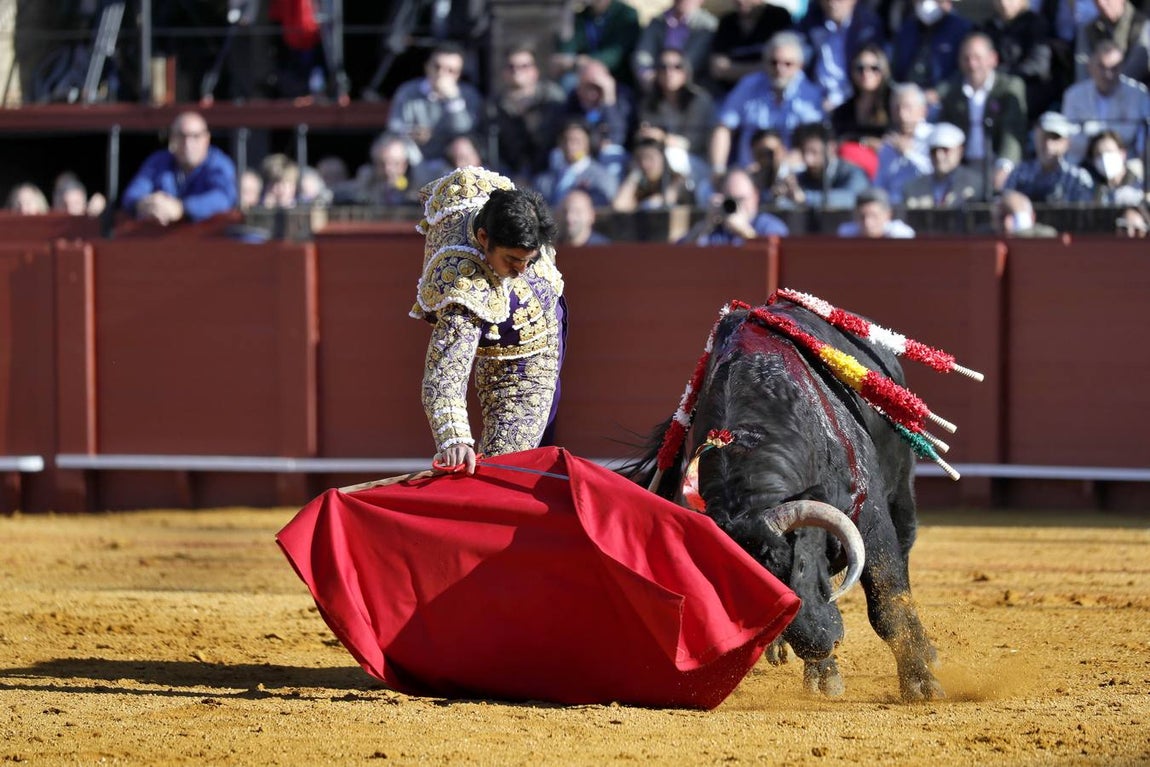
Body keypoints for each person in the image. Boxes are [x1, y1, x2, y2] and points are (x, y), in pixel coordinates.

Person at [411, 167, 565, 474]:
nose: (521, 269)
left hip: (534, 341)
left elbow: (462, 178)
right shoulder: (464, 283)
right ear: (483, 238)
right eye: (511, 260)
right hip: (516, 355)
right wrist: (453, 438)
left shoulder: (478, 191)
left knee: (512, 467)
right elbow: (445, 372)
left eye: (529, 259)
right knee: (505, 474)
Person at [709, 31, 824, 174]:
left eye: (788, 64)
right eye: (773, 62)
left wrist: (782, 165)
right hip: (748, 172)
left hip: (791, 172)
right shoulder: (748, 85)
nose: (779, 69)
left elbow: (811, 142)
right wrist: (718, 169)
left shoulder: (810, 95)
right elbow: (724, 127)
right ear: (764, 62)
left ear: (800, 66)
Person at [936, 32, 1029, 192]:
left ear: (993, 59)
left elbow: (1012, 129)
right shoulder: (952, 92)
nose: (972, 64)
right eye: (966, 58)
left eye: (977, 58)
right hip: (963, 168)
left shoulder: (1009, 87)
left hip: (997, 164)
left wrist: (1004, 166)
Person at [121, 111, 238, 225]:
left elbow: (223, 198)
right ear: (172, 138)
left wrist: (181, 208)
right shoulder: (158, 161)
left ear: (206, 139)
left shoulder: (218, 164)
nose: (188, 143)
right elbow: (132, 194)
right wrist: (144, 204)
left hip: (206, 241)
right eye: (182, 136)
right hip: (157, 240)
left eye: (195, 136)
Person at [386, 43, 485, 162]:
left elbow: (465, 130)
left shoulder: (469, 94)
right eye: (437, 67)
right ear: (427, 66)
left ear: (459, 74)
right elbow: (394, 125)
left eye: (451, 70)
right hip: (414, 152)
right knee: (393, 149)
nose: (441, 74)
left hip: (451, 157)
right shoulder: (408, 91)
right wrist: (412, 131)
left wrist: (453, 99)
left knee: (463, 147)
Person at [1061, 40, 1150, 164]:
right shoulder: (1073, 95)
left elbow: (1144, 136)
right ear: (1090, 67)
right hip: (1084, 162)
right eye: (1102, 67)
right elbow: (1069, 134)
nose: (1108, 74)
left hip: (1127, 162)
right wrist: (1100, 144)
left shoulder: (1138, 94)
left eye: (1114, 68)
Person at [494, 45, 568, 181]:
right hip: (510, 174)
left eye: (524, 66)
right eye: (511, 66)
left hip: (549, 172)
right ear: (504, 72)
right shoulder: (494, 106)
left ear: (535, 71)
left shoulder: (552, 97)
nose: (516, 71)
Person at [799, 0, 887, 112]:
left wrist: (839, 99)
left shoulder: (869, 27)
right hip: (814, 100)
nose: (833, 3)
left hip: (854, 99)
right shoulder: (809, 23)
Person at [980, 0, 1058, 116]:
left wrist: (1001, 75)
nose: (1004, 3)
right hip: (993, 93)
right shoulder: (988, 27)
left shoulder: (1036, 24)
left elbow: (1038, 66)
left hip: (1030, 95)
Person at [890, 0, 973, 103]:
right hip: (909, 99)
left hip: (943, 101)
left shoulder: (962, 29)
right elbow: (896, 69)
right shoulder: (906, 30)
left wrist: (939, 92)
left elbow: (965, 70)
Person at [773, 122, 871, 208]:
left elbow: (854, 198)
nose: (808, 160)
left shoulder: (853, 173)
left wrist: (806, 198)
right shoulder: (800, 177)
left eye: (814, 152)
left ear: (831, 148)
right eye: (804, 152)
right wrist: (783, 194)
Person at [1003, 111, 1096, 202]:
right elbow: (1004, 205)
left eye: (1055, 138)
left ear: (1067, 143)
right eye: (1044, 137)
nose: (1048, 144)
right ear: (1035, 138)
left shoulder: (1078, 179)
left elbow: (1085, 214)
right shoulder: (1019, 173)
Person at [708, 0, 794, 97]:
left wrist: (732, 69)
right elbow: (717, 69)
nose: (741, 1)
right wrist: (761, 68)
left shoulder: (778, 17)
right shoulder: (727, 22)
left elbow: (782, 62)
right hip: (730, 94)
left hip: (769, 94)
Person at [680, 168, 789, 244]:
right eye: (731, 199)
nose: (737, 205)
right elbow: (679, 256)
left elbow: (774, 257)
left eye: (741, 199)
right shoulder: (716, 228)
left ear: (755, 196)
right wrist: (706, 225)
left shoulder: (769, 226)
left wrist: (745, 232)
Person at [631, 0, 719, 94]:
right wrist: (646, 74)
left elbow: (693, 60)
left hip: (693, 87)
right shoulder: (657, 21)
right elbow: (643, 53)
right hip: (655, 85)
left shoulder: (707, 26)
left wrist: (671, 78)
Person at [551, 0, 642, 90]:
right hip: (582, 74)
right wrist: (568, 12)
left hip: (616, 77)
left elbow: (615, 55)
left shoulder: (626, 14)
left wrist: (580, 62)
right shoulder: (582, 15)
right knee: (567, 82)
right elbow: (565, 53)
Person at [534, 120, 620, 207]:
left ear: (588, 143)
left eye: (576, 141)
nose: (570, 146)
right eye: (565, 140)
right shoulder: (545, 180)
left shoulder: (603, 177)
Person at [873, 83, 934, 204]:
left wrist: (909, 154)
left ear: (923, 111)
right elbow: (880, 182)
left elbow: (938, 174)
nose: (902, 114)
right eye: (896, 108)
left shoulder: (934, 137)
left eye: (907, 107)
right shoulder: (889, 144)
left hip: (923, 203)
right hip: (892, 206)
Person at [904, 122, 987, 207]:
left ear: (960, 151)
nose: (939, 156)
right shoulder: (913, 188)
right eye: (934, 151)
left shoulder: (976, 184)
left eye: (945, 150)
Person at [830, 43, 895, 148]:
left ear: (884, 70)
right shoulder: (842, 112)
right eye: (860, 68)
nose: (866, 73)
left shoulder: (893, 105)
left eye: (874, 68)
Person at [1073, 0, 1149, 83]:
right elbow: (1083, 68)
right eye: (1097, 1)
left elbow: (1135, 67)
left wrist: (1111, 86)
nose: (1101, 3)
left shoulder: (1143, 26)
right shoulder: (1088, 30)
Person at [337, 132, 421, 206]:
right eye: (381, 163)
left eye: (395, 164)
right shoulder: (364, 185)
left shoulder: (417, 188)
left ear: (405, 164)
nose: (388, 169)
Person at [612, 137, 692, 212]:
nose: (645, 163)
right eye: (640, 158)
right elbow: (619, 206)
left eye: (650, 158)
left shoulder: (677, 179)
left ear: (663, 158)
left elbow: (666, 202)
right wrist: (633, 176)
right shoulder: (640, 183)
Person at [1083, 129, 1145, 205]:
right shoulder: (1091, 193)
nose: (1104, 158)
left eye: (1109, 151)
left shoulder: (1141, 188)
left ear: (1123, 154)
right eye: (1099, 154)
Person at [836, 187, 916, 237]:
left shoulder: (900, 235)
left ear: (888, 215)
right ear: (855, 215)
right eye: (862, 216)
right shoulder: (846, 235)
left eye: (874, 216)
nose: (867, 222)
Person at [991, 189, 1060, 236]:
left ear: (1032, 217)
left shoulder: (1044, 235)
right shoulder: (985, 235)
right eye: (1001, 217)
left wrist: (1015, 233)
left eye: (1014, 217)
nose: (1006, 223)